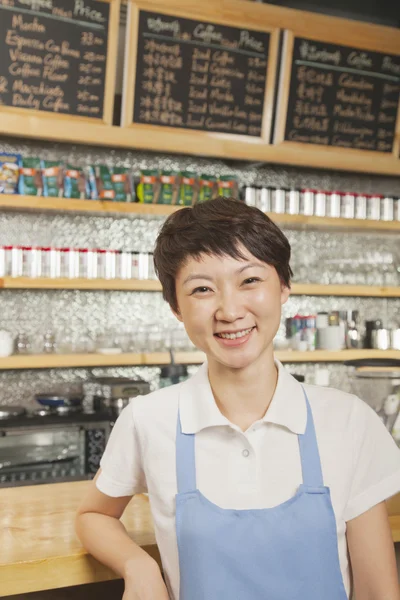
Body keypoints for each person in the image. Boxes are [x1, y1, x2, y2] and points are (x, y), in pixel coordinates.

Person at [75, 197, 400, 600]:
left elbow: (377, 592)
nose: (229, 310)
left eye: (249, 281)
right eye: (202, 289)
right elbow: (93, 515)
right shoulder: (148, 419)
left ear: (283, 287)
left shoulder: (349, 421)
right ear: (176, 306)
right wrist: (137, 565)